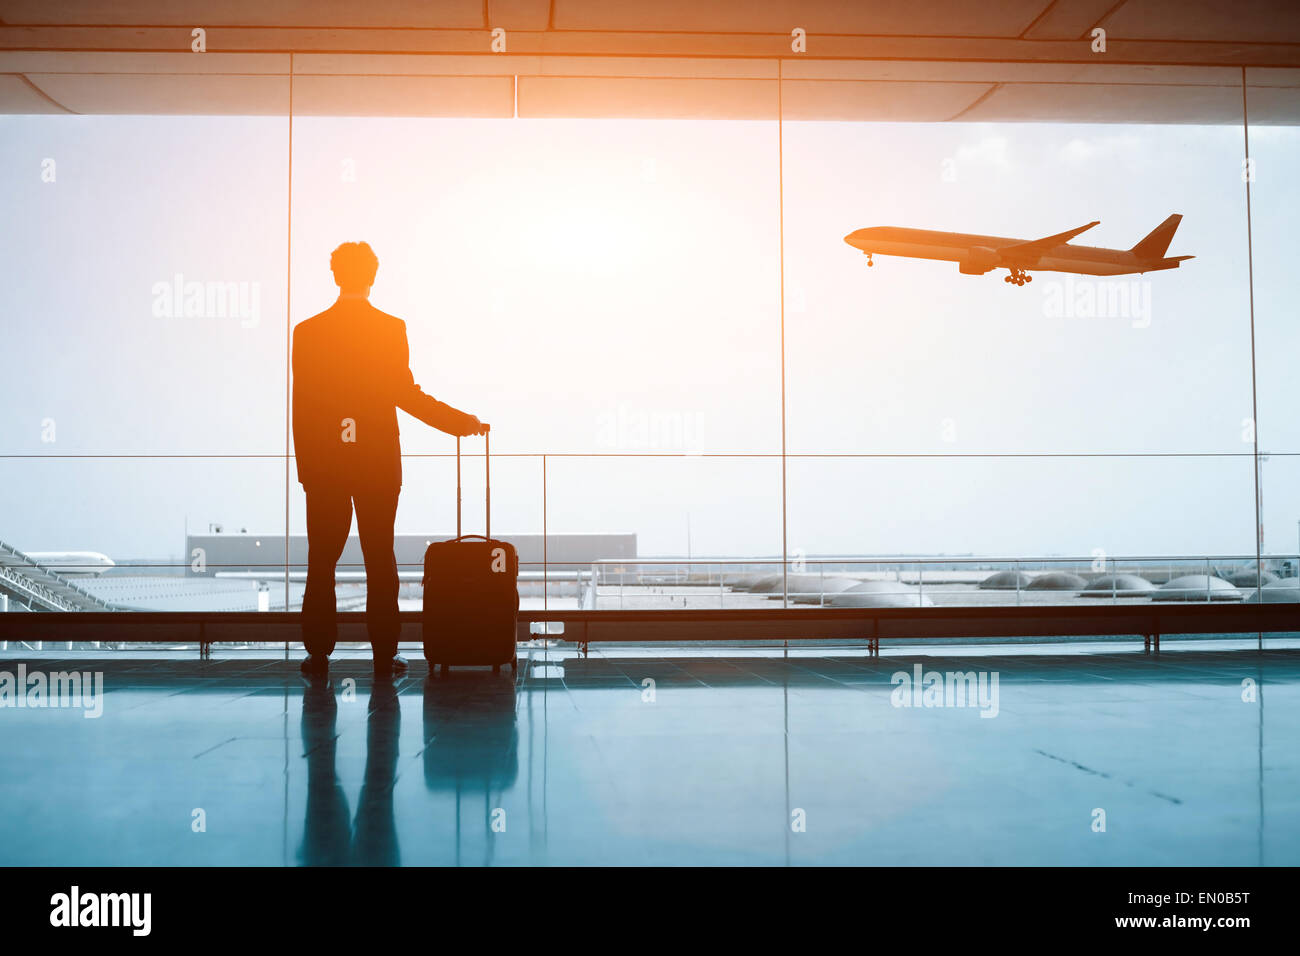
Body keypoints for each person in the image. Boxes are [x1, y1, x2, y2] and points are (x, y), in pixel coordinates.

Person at [292, 241, 487, 677]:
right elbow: (406, 395)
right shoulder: (389, 328)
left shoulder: (307, 332)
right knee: (380, 556)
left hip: (325, 467)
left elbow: (301, 406)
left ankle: (318, 654)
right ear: (372, 276)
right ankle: (384, 655)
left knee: (321, 558)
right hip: (377, 462)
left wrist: (308, 470)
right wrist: (460, 422)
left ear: (335, 275)